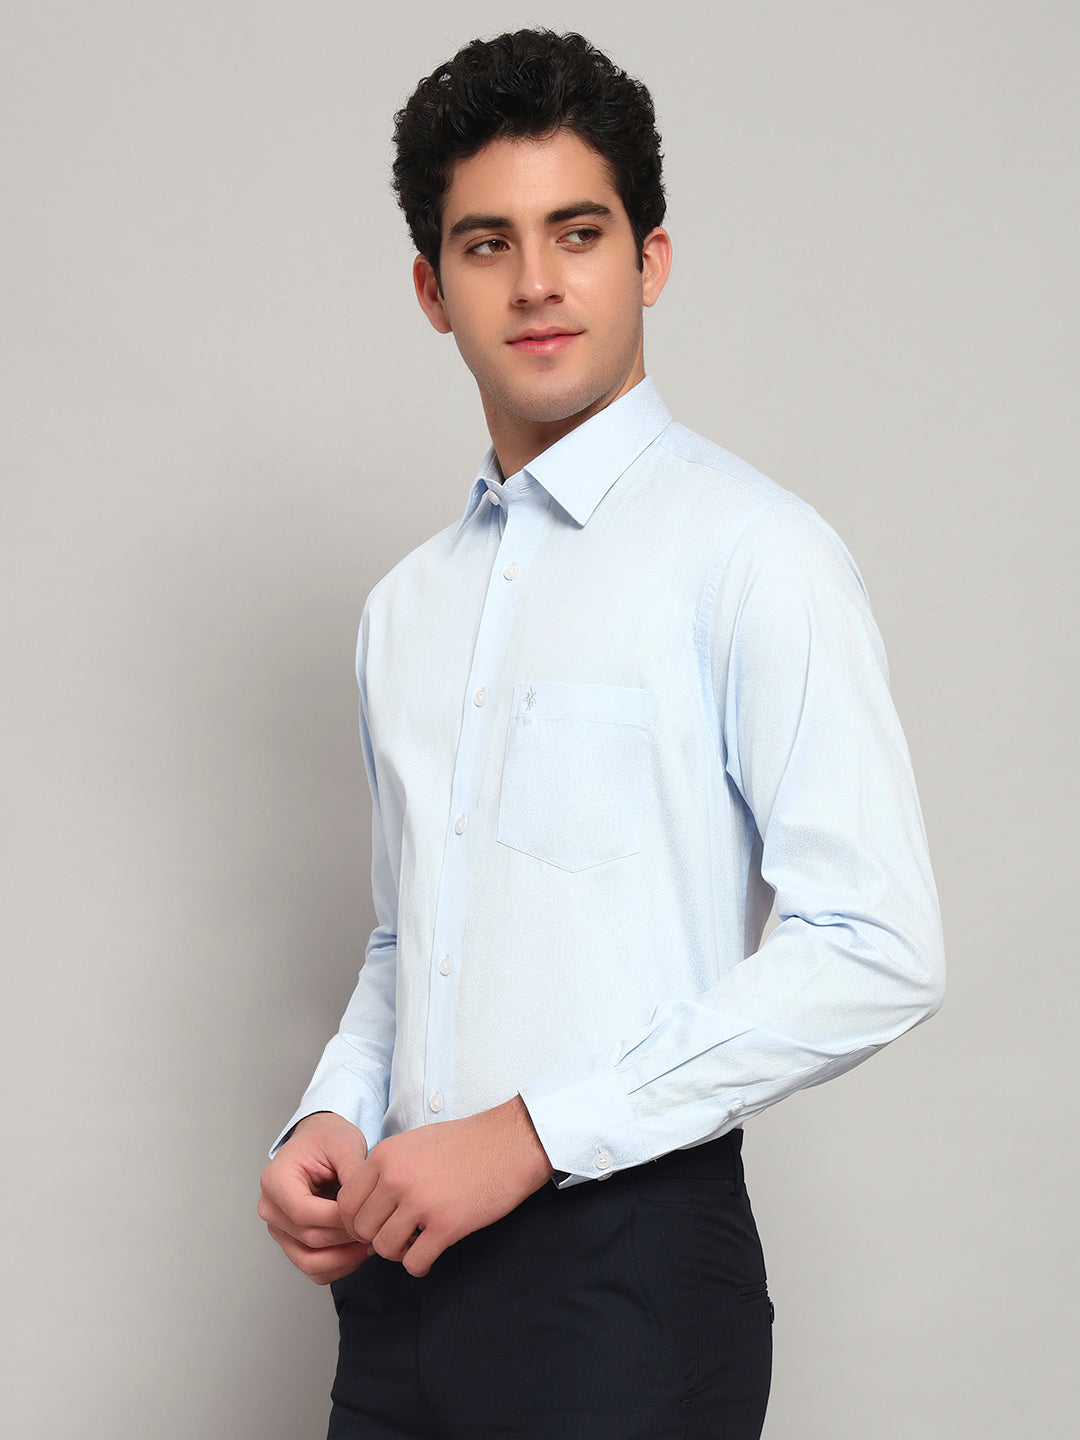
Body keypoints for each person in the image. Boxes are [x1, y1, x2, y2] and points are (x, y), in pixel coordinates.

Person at [258, 28, 944, 1440]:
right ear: (432, 290)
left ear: (651, 260)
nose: (537, 282)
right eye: (487, 245)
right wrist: (332, 1115)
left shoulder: (753, 554)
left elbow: (877, 944)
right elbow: (409, 938)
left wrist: (530, 1136)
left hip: (624, 1277)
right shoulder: (405, 611)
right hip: (399, 1271)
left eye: (578, 233)